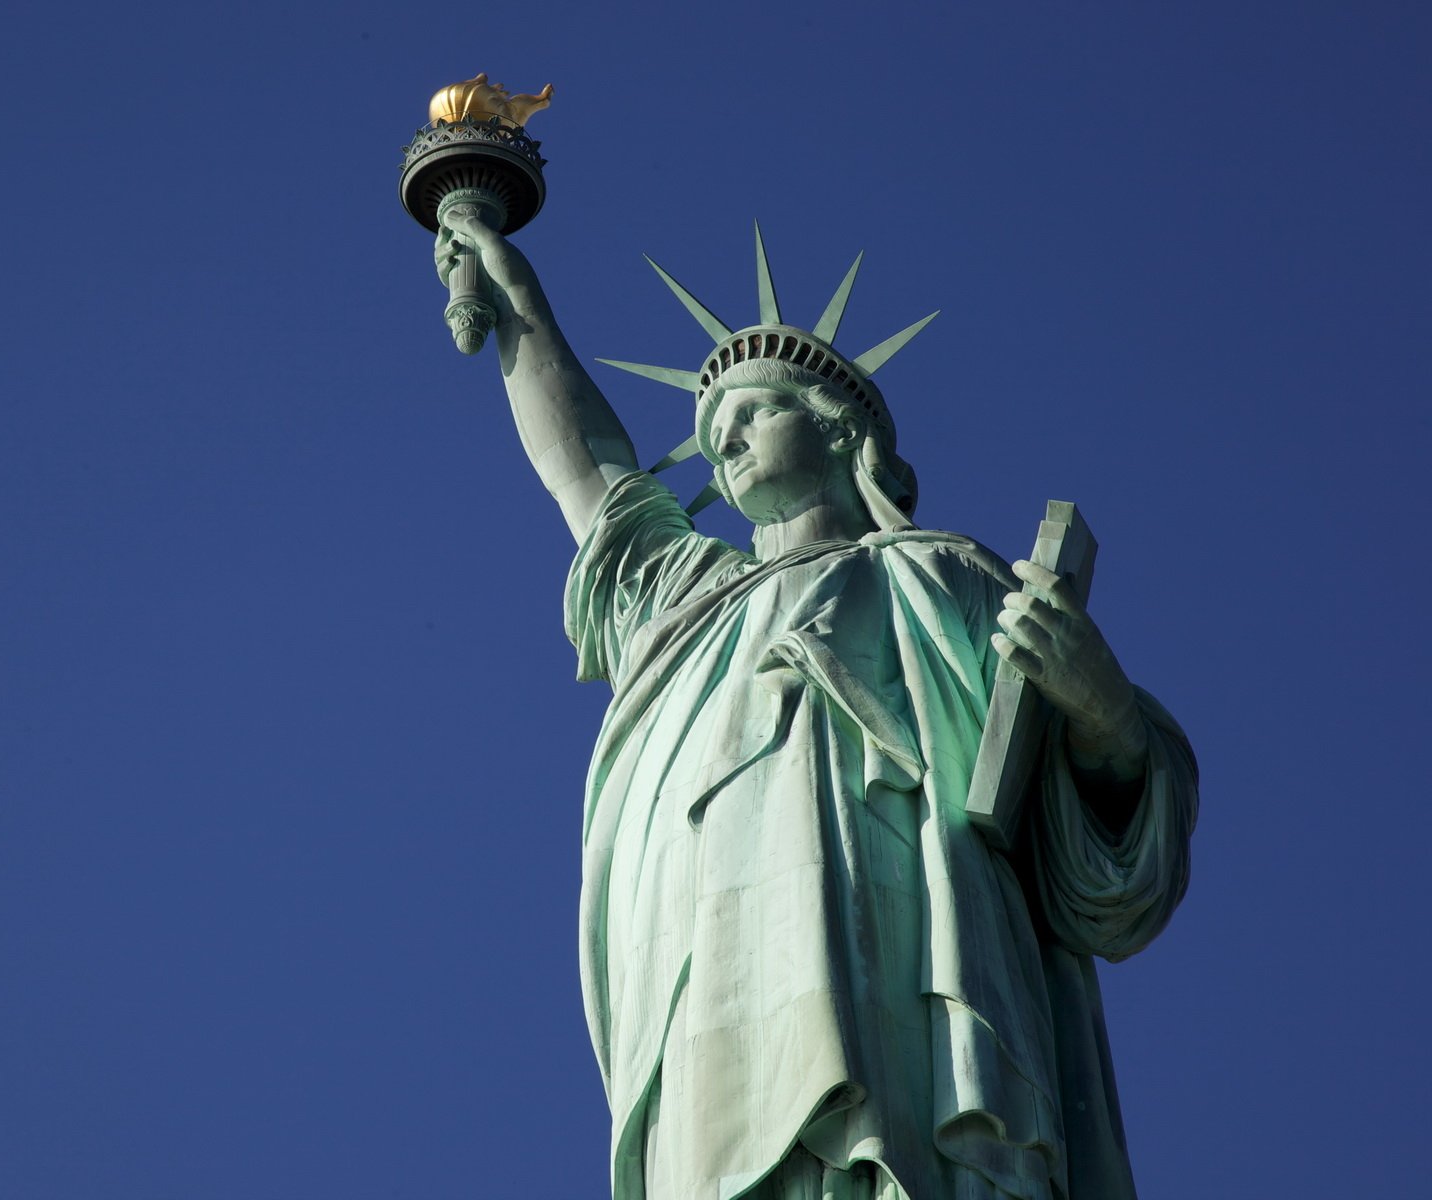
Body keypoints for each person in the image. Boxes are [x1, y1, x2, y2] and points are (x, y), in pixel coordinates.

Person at [434, 205, 1198, 1200]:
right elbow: (590, 473)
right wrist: (515, 295)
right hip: (708, 970)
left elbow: (1101, 864)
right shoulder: (684, 601)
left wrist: (1105, 717)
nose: (726, 439)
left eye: (754, 410)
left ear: (838, 423)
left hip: (914, 955)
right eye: (714, 431)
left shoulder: (942, 577)